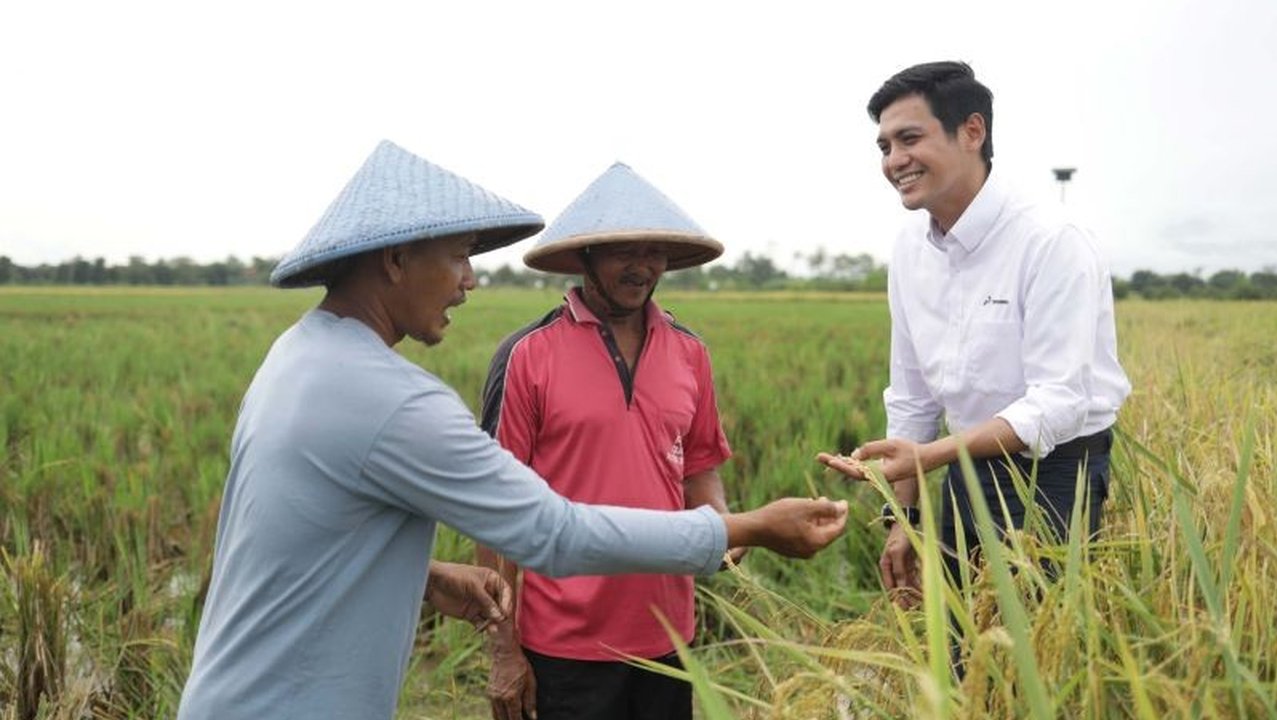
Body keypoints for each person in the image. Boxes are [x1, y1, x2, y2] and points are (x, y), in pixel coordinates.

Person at [176, 140, 850, 720]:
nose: (470, 280)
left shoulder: (297, 357)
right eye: (459, 256)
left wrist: (426, 577)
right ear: (396, 261)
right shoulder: (399, 398)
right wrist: (748, 529)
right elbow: (552, 533)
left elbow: (302, 537)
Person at [818, 61, 1131, 607]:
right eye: (885, 147)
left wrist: (930, 455)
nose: (894, 161)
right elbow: (912, 398)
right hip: (964, 467)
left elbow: (1058, 402)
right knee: (965, 639)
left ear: (972, 131)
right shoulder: (910, 250)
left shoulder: (1050, 240)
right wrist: (904, 517)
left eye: (909, 139)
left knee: (1042, 640)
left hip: (1057, 475)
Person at [476, 162, 740, 720]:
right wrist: (503, 649)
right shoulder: (528, 354)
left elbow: (699, 466)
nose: (642, 265)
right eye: (625, 250)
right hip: (562, 642)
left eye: (655, 251)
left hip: (667, 634)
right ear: (586, 256)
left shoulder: (689, 351)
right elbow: (493, 504)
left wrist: (723, 526)